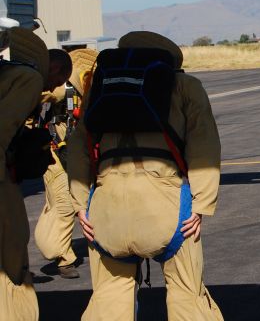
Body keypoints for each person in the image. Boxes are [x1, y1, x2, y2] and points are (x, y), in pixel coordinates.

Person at [67, 31, 224, 320]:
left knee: (110, 293)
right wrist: (201, 205)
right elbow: (205, 146)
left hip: (106, 207)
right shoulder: (185, 86)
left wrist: (80, 206)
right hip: (167, 208)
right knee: (186, 291)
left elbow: (78, 147)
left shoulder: (100, 89)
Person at [1, 27, 71, 320]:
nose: (56, 85)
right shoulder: (27, 79)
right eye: (57, 79)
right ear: (50, 66)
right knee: (12, 253)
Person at [34, 48, 98, 279]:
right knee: (63, 202)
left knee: (83, 200)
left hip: (80, 153)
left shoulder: (86, 83)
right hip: (54, 154)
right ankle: (62, 257)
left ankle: (97, 246)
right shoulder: (57, 89)